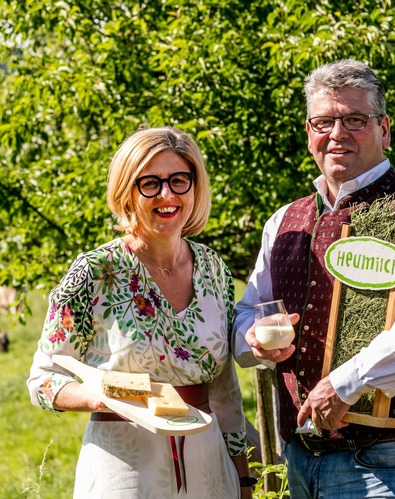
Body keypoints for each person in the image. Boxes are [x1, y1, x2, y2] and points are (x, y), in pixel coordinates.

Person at [233, 59, 395, 498]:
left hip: (386, 458)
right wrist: (251, 339)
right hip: (299, 455)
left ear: (384, 130)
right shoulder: (284, 220)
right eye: (323, 121)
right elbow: (247, 311)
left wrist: (347, 382)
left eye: (355, 120)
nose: (337, 134)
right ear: (309, 133)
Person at [27, 127, 253, 498]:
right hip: (125, 468)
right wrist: (97, 398)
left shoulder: (213, 269)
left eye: (179, 180)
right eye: (150, 183)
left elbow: (224, 389)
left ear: (195, 187)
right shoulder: (96, 272)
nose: (167, 194)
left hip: (210, 470)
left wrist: (243, 478)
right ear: (126, 192)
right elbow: (43, 379)